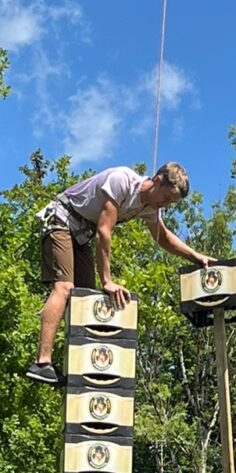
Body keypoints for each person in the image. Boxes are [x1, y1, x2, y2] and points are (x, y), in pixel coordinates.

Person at [25, 162, 214, 385]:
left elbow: (163, 238)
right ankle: (42, 363)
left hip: (82, 233)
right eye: (166, 198)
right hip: (61, 218)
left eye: (171, 203)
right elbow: (104, 231)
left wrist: (197, 257)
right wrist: (107, 280)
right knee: (65, 288)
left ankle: (83, 369)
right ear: (157, 180)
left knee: (86, 298)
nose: (165, 205)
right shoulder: (121, 181)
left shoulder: (150, 208)